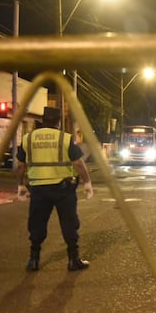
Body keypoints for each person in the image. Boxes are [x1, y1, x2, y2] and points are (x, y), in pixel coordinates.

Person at [15, 107, 94, 272]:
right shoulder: (64, 139)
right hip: (63, 189)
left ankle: (33, 260)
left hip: (38, 189)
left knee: (37, 223)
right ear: (58, 122)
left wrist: (21, 185)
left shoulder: (28, 139)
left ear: (43, 120)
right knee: (69, 223)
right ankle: (73, 260)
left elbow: (21, 165)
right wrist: (87, 182)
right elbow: (78, 163)